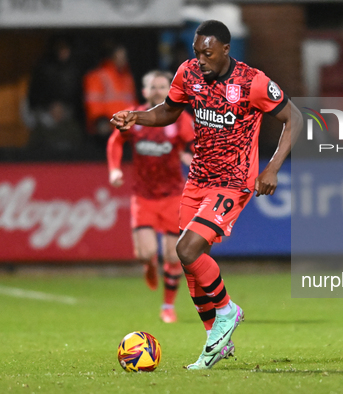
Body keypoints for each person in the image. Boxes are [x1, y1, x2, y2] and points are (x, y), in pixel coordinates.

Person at [110, 20, 302, 369]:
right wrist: (136, 117)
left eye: (208, 53)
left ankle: (228, 311)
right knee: (191, 265)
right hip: (197, 179)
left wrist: (272, 168)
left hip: (233, 181)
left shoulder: (252, 82)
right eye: (197, 52)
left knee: (186, 248)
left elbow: (296, 117)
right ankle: (217, 338)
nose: (200, 59)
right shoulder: (188, 74)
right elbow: (168, 111)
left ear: (226, 50)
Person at [107, 70, 194, 323]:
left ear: (169, 89)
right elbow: (115, 141)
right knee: (146, 253)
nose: (157, 90)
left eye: (161, 86)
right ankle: (148, 265)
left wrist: (188, 155)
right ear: (144, 92)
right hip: (143, 195)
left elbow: (194, 143)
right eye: (152, 87)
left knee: (173, 255)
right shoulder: (134, 117)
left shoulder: (179, 119)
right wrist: (114, 170)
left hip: (172, 195)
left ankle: (167, 306)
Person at [85, 44, 137, 145]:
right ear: (112, 57)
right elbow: (93, 104)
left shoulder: (127, 78)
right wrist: (100, 122)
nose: (123, 59)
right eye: (120, 56)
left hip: (127, 132)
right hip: (106, 133)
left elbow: (133, 103)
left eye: (124, 56)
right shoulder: (98, 76)